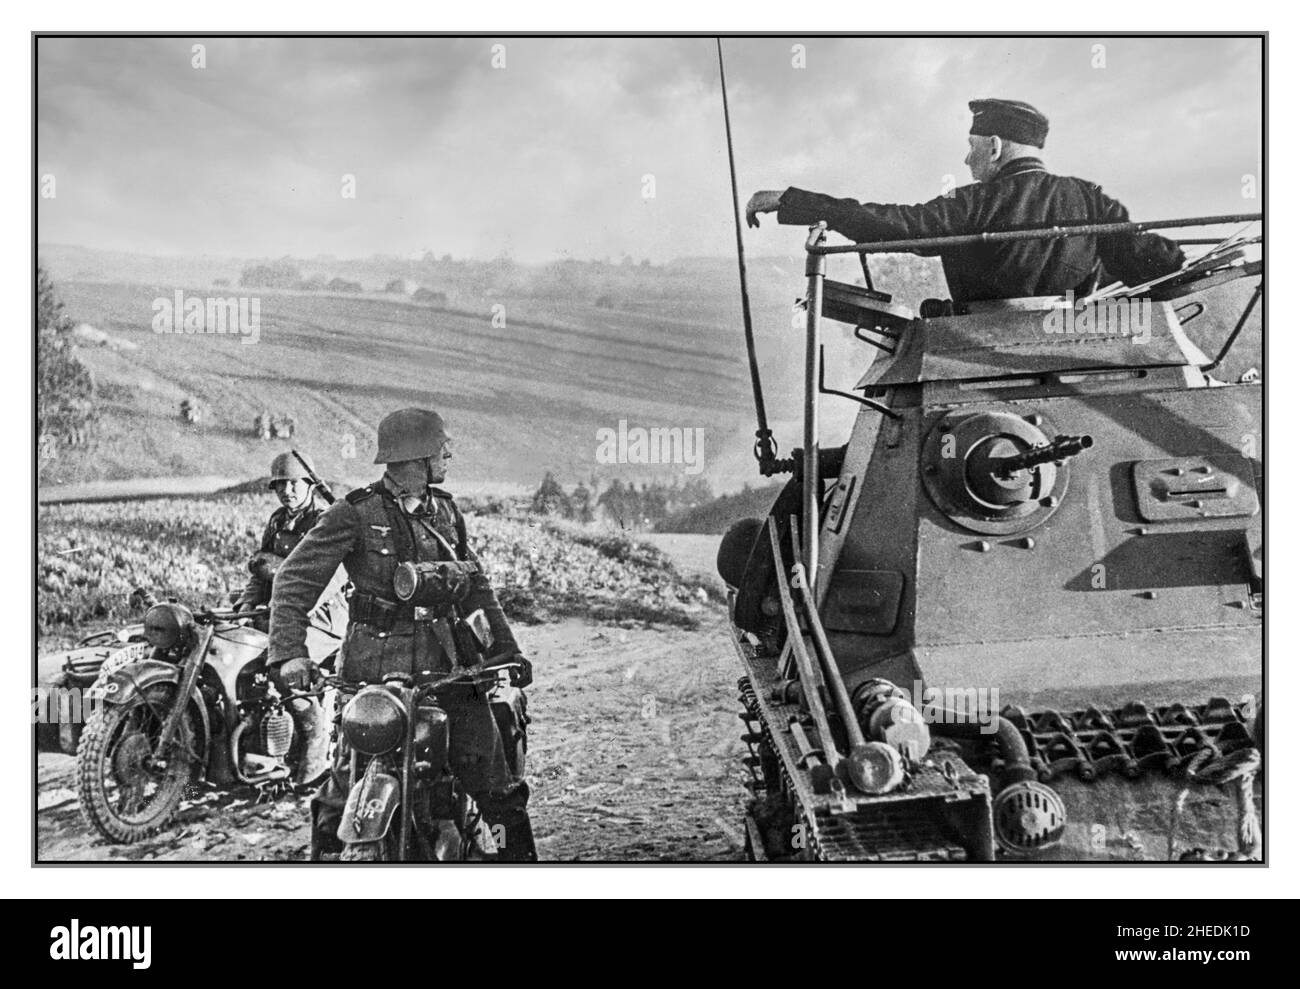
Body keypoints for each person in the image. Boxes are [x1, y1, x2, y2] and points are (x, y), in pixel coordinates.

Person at [268, 408, 536, 862]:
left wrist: (506, 651)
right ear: (416, 457)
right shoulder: (354, 513)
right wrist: (289, 655)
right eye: (439, 449)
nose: (448, 454)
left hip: (448, 672)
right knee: (336, 806)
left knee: (497, 791)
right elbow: (292, 580)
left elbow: (475, 587)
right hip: (372, 677)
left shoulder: (446, 512)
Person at [746, 98, 1185, 304]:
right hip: (1068, 348)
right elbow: (1152, 260)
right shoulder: (1091, 200)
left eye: (971, 146)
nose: (966, 158)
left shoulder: (975, 203)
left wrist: (794, 201)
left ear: (994, 146)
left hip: (976, 355)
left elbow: (896, 225)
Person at [234, 450, 346, 786]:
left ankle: (315, 742)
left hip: (324, 617)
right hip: (281, 612)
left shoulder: (327, 521)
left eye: (294, 483)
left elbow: (327, 580)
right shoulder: (278, 521)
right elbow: (259, 575)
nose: (287, 491)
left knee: (285, 665)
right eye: (280, 485)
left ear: (309, 484)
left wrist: (287, 610)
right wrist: (246, 607)